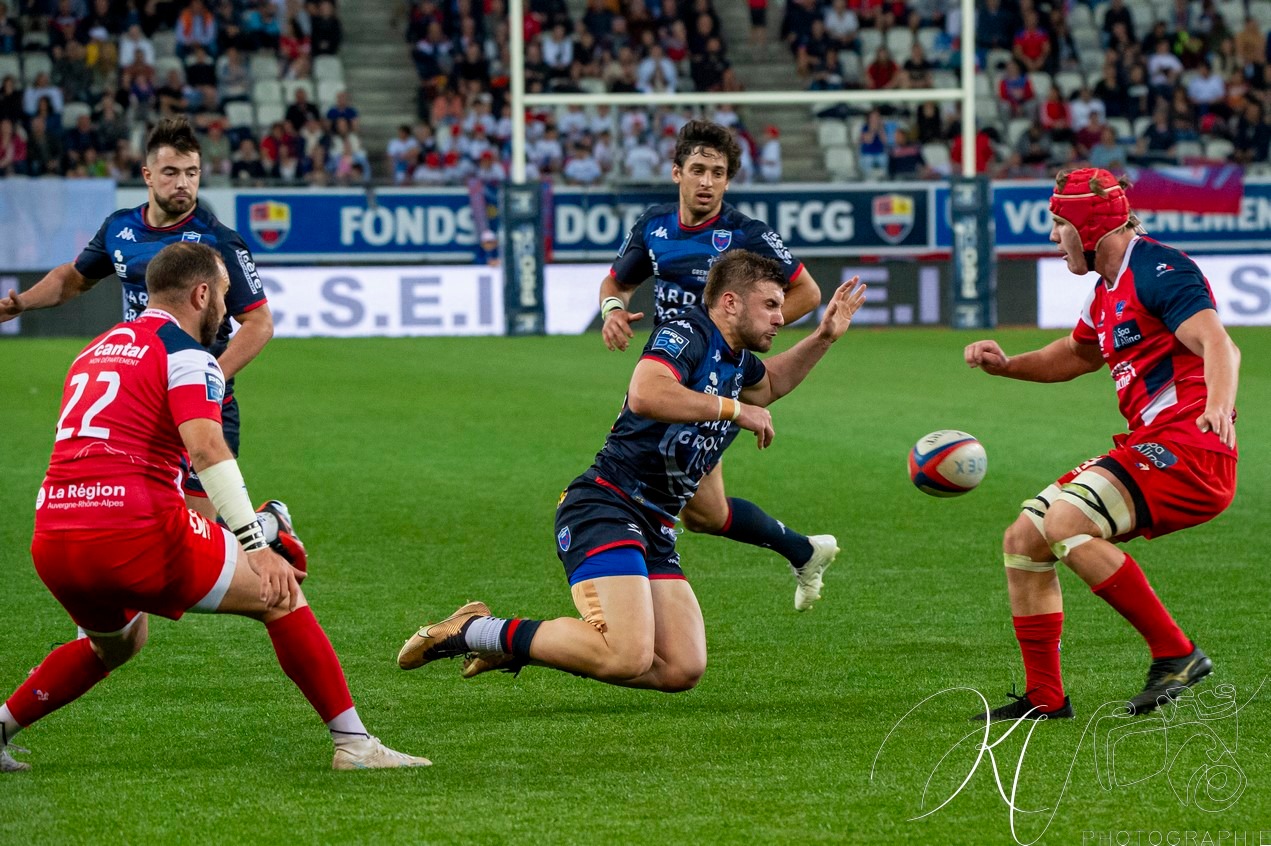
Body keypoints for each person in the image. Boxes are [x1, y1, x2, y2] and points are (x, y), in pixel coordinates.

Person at [0, 243, 428, 773]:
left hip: (55, 535)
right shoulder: (186, 354)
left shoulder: (95, 350)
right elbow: (207, 449)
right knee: (281, 591)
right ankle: (355, 745)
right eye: (224, 294)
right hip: (132, 531)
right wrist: (257, 545)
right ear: (202, 294)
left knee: (116, 642)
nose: (226, 308)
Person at [398, 252, 866, 689]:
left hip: (657, 525)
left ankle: (513, 645)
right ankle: (478, 630)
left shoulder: (737, 359)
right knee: (626, 655)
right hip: (606, 504)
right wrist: (732, 410)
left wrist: (824, 337)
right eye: (769, 305)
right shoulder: (687, 333)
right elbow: (646, 392)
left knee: (681, 668)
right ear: (729, 302)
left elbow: (770, 386)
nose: (781, 317)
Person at [963, 168, 1240, 721]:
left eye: (1058, 224)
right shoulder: (1105, 293)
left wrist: (1216, 405)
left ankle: (1177, 653)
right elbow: (1076, 354)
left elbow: (1219, 344)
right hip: (1158, 443)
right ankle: (1045, 697)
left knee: (1066, 523)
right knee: (1025, 538)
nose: (1051, 237)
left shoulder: (1159, 269)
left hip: (1193, 445)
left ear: (1089, 227)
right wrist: (1008, 366)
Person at [596, 119, 836, 612]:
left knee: (633, 466)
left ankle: (619, 557)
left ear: (728, 181)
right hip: (674, 362)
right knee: (705, 512)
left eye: (719, 173)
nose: (707, 182)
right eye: (699, 170)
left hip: (714, 373)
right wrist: (613, 311)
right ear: (677, 172)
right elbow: (615, 284)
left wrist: (748, 328)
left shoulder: (747, 234)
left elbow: (808, 292)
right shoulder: (653, 227)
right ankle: (803, 550)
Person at [0, 117, 273, 521]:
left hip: (197, 398)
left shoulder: (218, 240)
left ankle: (269, 530)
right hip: (141, 390)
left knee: (200, 528)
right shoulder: (119, 228)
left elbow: (259, 323)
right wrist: (22, 302)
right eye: (171, 172)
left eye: (191, 173)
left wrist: (211, 376)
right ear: (147, 174)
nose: (183, 183)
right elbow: (73, 279)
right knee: (137, 515)